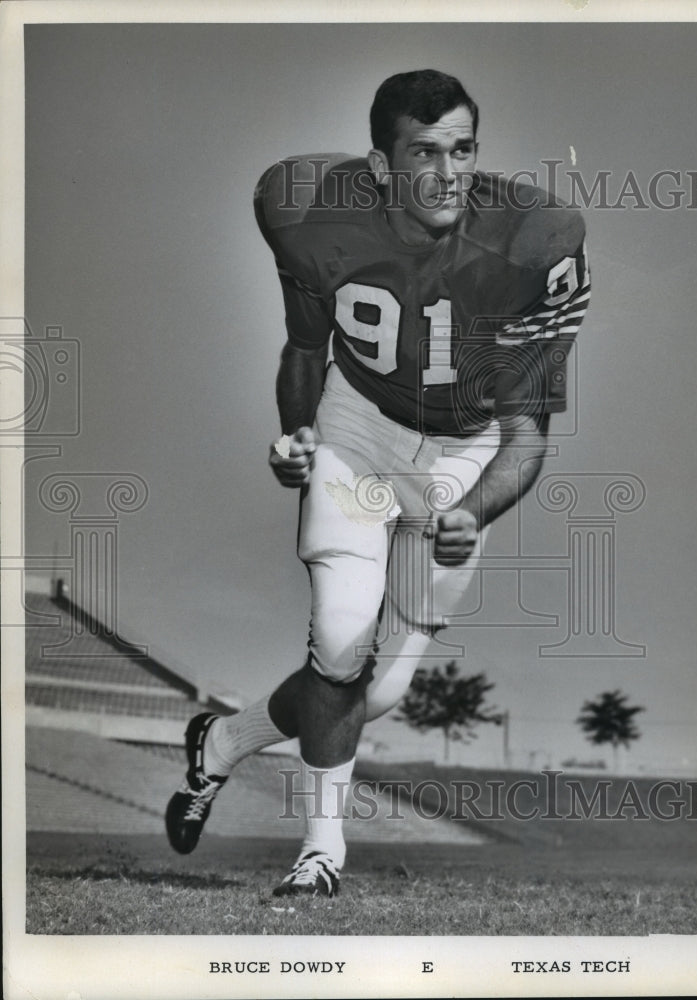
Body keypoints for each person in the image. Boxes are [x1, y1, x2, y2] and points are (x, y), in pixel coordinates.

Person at [165, 69, 590, 897]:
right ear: (380, 164)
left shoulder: (538, 240)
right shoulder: (307, 208)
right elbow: (303, 349)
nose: (447, 172)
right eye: (424, 152)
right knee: (343, 636)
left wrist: (472, 509)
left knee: (380, 689)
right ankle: (322, 850)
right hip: (360, 424)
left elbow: (528, 434)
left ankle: (218, 745)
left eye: (463, 150)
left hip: (466, 446)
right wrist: (299, 433)